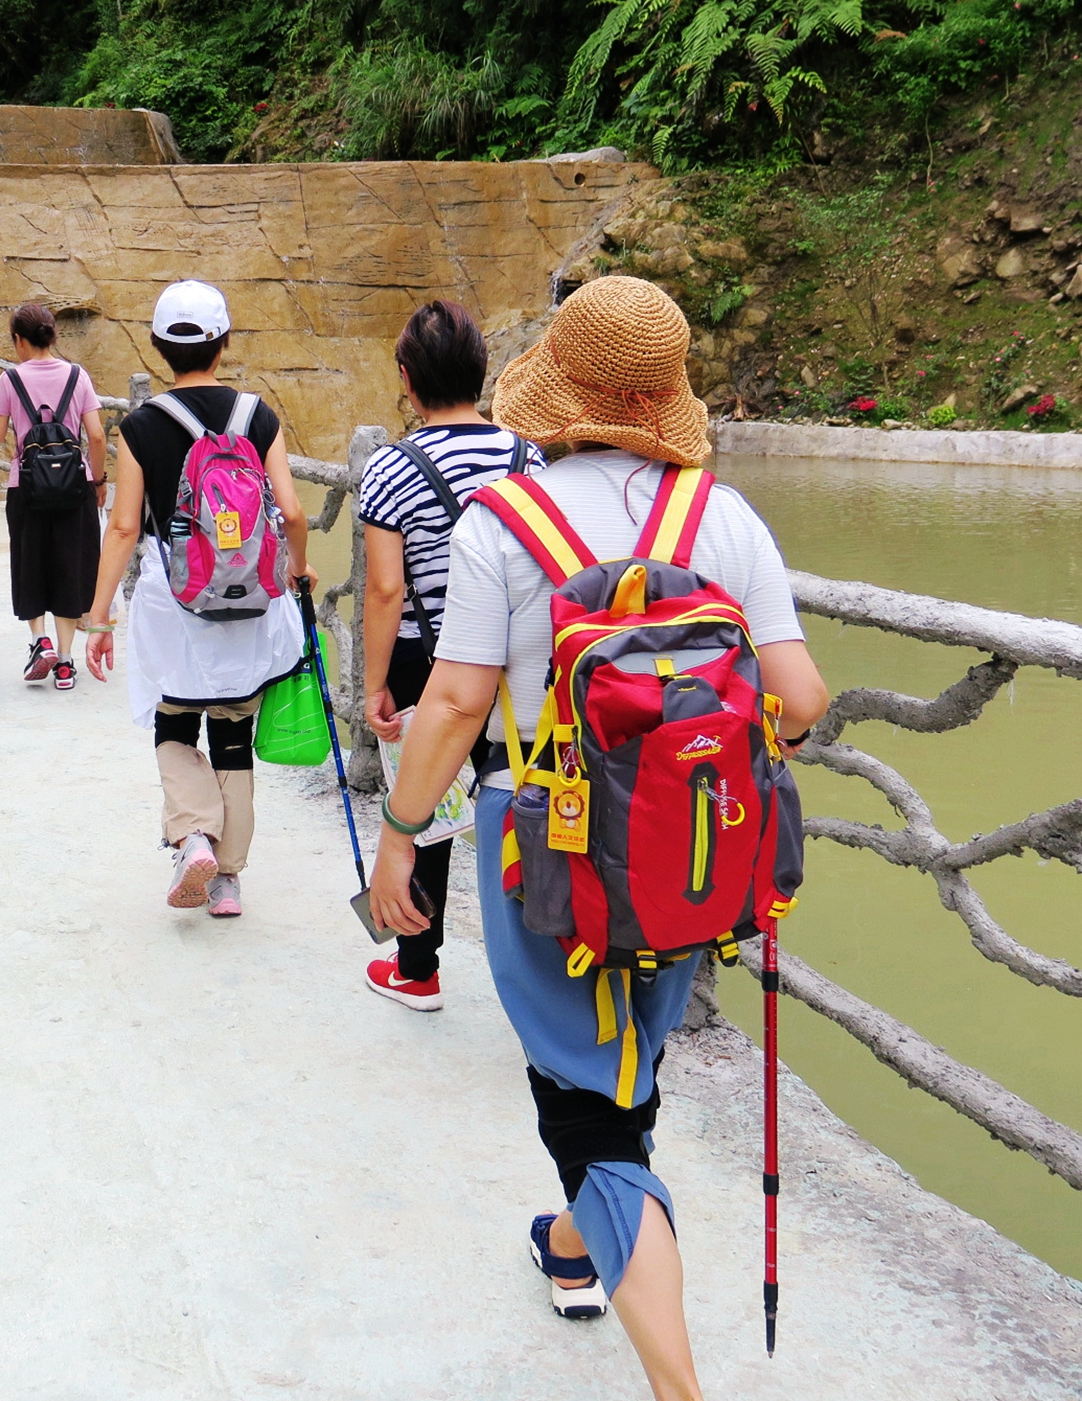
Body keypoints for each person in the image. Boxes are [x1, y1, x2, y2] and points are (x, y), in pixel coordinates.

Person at [371, 276, 829, 1393]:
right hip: (695, 852)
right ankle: (576, 1243)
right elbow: (801, 700)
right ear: (664, 399)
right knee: (624, 1062)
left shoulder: (504, 525)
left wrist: (401, 832)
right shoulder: (719, 514)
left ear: (557, 389)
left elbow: (454, 703)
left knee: (590, 1118)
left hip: (548, 848)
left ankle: (676, 1379)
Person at [84, 279, 316, 919]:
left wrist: (99, 617)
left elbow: (126, 529)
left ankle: (191, 838)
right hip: (250, 600)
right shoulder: (257, 415)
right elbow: (291, 512)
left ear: (159, 346)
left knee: (175, 719)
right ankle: (229, 881)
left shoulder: (139, 426)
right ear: (224, 342)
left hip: (176, 601)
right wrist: (297, 570)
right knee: (233, 730)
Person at [356, 300, 544, 1012]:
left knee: (422, 807)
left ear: (407, 381)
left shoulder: (389, 468)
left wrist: (375, 684)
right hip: (518, 662)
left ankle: (417, 968)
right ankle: (542, 977)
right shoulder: (528, 456)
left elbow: (383, 587)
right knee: (528, 800)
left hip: (421, 657)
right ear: (483, 371)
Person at [0, 303, 107, 691]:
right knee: (71, 566)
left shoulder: (9, 380)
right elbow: (97, 436)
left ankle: (41, 642)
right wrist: (98, 480)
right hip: (75, 485)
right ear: (52, 335)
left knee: (30, 562)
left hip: (27, 486)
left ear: (19, 340)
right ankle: (67, 663)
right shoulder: (78, 375)